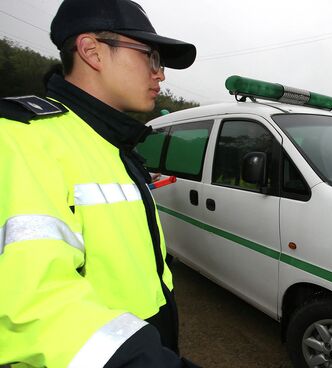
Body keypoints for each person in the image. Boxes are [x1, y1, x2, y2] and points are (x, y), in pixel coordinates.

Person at [0, 0, 199, 367]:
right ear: (92, 51)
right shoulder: (18, 139)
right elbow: (30, 308)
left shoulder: (112, 144)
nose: (161, 74)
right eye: (151, 57)